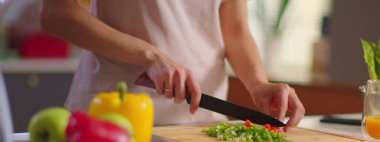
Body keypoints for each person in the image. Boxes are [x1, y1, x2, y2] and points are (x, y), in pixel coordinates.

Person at [40, 0, 305, 127]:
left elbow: (235, 28)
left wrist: (258, 83)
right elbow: (57, 14)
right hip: (109, 120)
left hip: (204, 127)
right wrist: (150, 55)